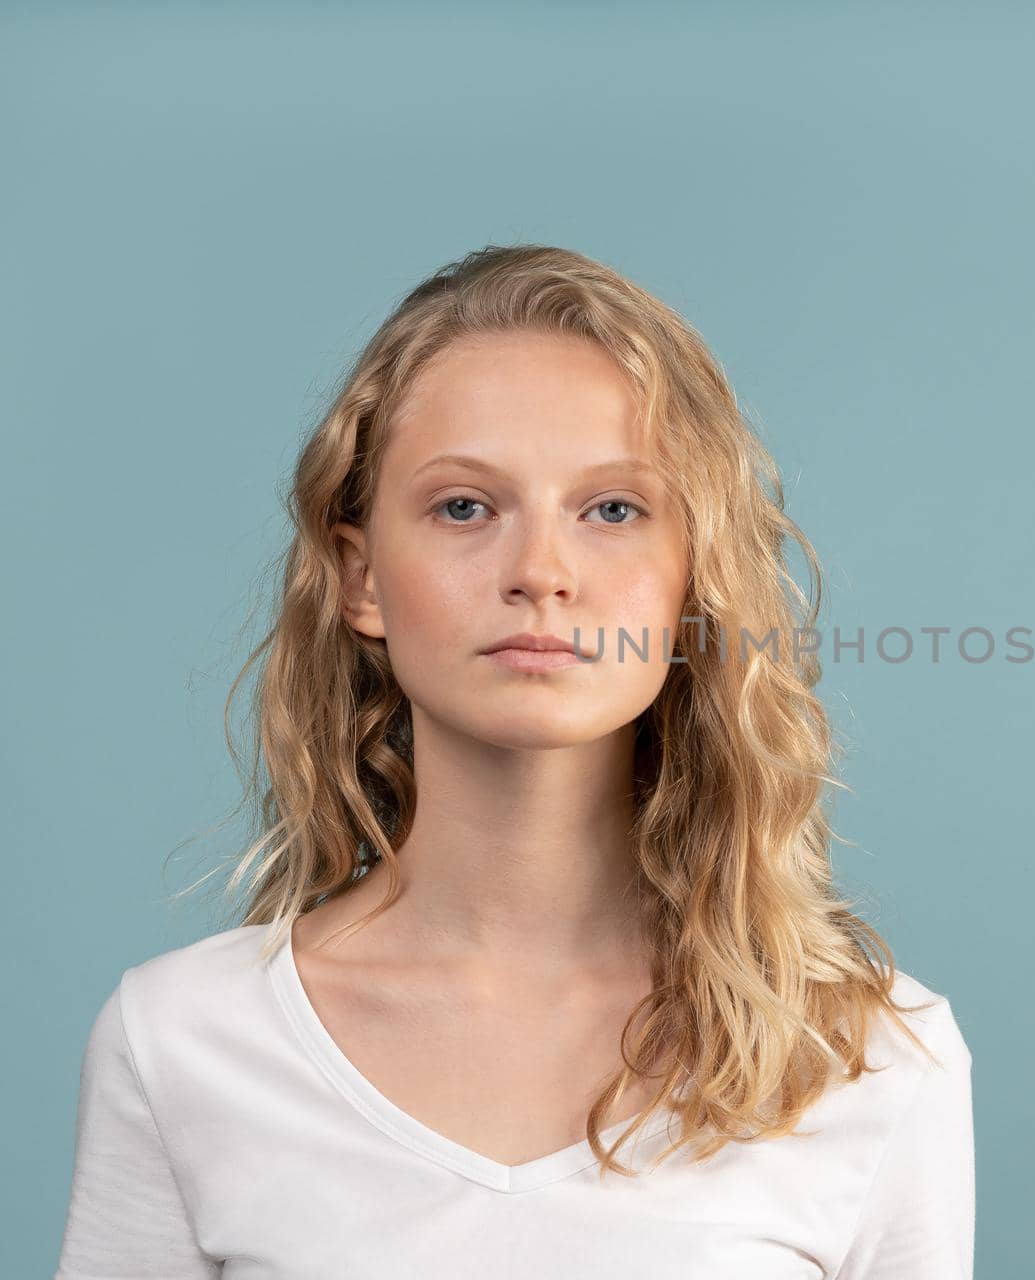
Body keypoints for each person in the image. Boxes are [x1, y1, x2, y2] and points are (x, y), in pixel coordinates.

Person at [54, 244, 974, 1278]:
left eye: (613, 509)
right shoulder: (184, 1039)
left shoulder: (869, 1056)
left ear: (693, 578)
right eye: (463, 506)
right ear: (359, 578)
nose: (539, 572)